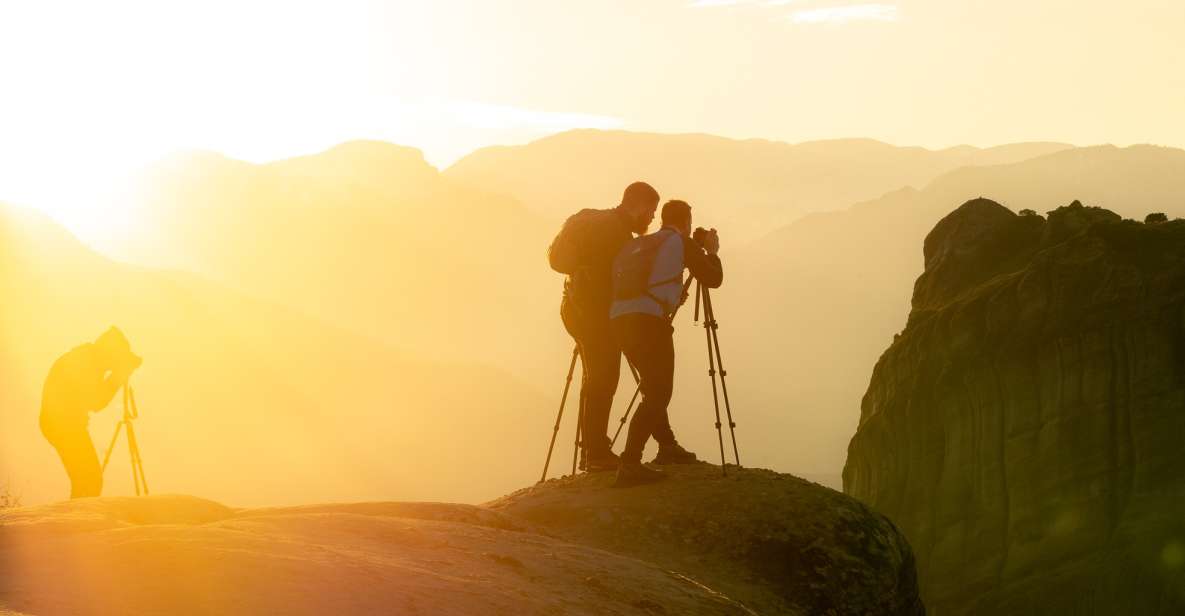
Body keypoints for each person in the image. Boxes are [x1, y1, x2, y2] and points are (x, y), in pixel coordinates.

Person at [610, 200, 722, 487]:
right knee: (659, 392)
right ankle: (631, 462)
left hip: (620, 320)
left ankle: (667, 446)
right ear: (686, 221)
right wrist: (711, 251)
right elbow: (713, 278)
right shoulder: (682, 243)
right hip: (650, 322)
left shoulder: (646, 243)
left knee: (652, 386)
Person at [548, 182, 659, 471]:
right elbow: (619, 281)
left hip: (573, 307)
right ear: (638, 205)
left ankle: (592, 448)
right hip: (595, 315)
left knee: (595, 376)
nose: (651, 219)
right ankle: (595, 453)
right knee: (605, 378)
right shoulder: (617, 234)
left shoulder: (590, 218)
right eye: (650, 212)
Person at [40, 326, 142, 498]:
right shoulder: (85, 362)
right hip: (63, 425)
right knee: (89, 479)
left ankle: (77, 517)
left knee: (86, 479)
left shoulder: (88, 358)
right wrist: (119, 376)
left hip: (62, 424)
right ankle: (77, 520)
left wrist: (120, 371)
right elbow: (96, 402)